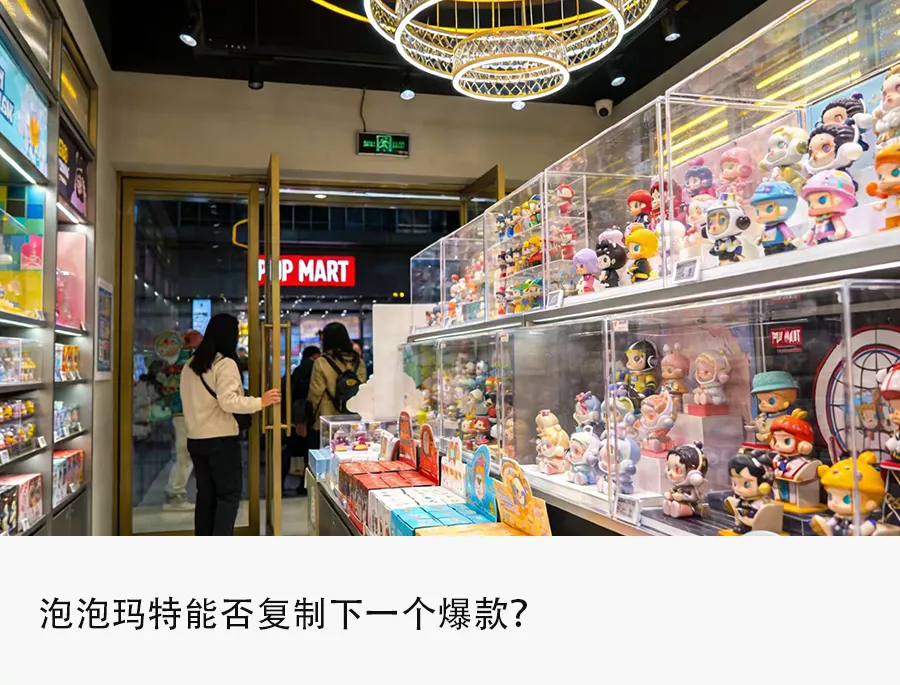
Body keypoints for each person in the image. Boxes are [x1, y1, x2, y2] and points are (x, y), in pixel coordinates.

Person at [181, 313, 280, 535]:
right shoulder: (224, 364)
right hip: (221, 440)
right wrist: (261, 402)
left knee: (205, 497)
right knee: (228, 496)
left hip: (196, 439)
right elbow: (228, 402)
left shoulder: (189, 365)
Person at [308, 323, 367, 448]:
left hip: (328, 420)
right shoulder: (358, 361)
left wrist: (312, 416)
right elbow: (363, 389)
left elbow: (316, 394)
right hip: (353, 420)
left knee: (328, 453)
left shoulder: (321, 362)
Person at [164, 330, 202, 511]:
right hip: (185, 412)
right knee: (185, 454)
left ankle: (175, 490)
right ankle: (176, 493)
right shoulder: (189, 363)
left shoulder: (174, 362)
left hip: (179, 411)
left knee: (183, 453)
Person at [282, 345, 320, 495]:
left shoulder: (298, 370)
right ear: (315, 356)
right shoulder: (312, 369)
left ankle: (282, 484)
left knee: (291, 450)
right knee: (307, 452)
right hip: (307, 417)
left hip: (298, 417)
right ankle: (305, 485)